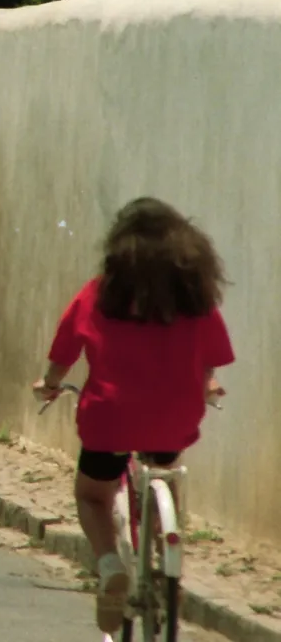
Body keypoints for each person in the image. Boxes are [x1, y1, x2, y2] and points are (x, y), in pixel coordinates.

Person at [32, 197, 234, 634]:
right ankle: (166, 554)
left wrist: (49, 383)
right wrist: (205, 385)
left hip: (110, 418)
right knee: (165, 467)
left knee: (92, 495)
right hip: (174, 416)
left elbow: (63, 352)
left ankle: (109, 565)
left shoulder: (99, 294)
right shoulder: (195, 302)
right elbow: (211, 358)